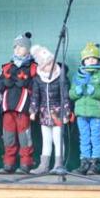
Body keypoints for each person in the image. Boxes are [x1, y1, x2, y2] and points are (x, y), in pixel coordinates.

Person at [70, 42, 100, 175]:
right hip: (81, 113)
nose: (91, 61)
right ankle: (84, 163)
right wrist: (76, 92)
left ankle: (95, 165)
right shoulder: (77, 76)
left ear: (98, 60)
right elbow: (71, 94)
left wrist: (94, 91)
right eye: (88, 58)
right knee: (84, 138)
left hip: (96, 113)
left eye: (94, 58)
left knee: (95, 138)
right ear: (83, 61)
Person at [0, 33, 37, 174]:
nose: (17, 49)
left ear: (28, 49)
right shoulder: (7, 66)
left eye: (21, 47)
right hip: (8, 107)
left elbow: (37, 86)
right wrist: (4, 82)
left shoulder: (33, 67)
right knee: (8, 136)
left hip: (23, 108)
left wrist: (27, 83)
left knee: (24, 136)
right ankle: (9, 163)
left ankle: (26, 163)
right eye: (15, 47)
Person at [29, 45, 70, 175]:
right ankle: (44, 165)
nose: (50, 66)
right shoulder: (38, 79)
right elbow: (35, 96)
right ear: (42, 67)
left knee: (58, 139)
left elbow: (65, 96)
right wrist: (33, 110)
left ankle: (58, 164)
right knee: (46, 140)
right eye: (47, 64)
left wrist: (66, 112)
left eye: (51, 62)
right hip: (44, 114)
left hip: (57, 113)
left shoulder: (61, 77)